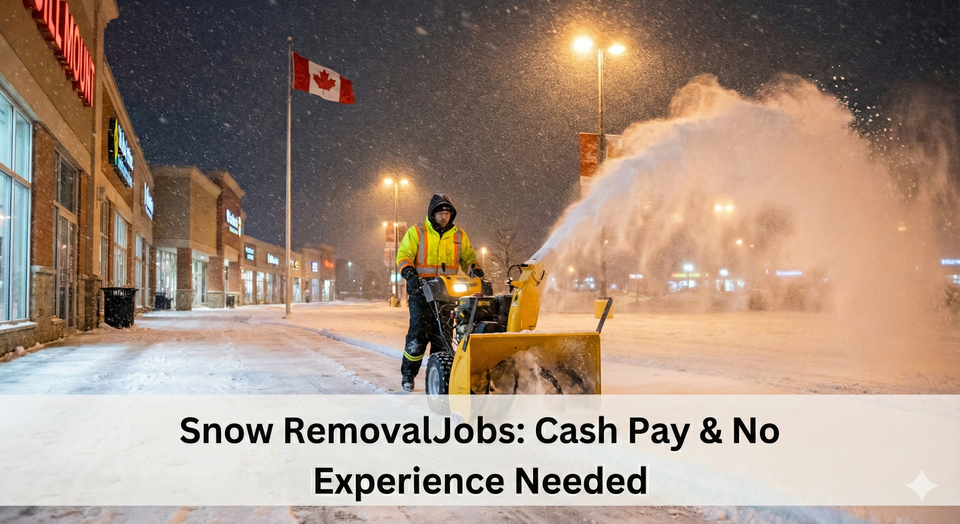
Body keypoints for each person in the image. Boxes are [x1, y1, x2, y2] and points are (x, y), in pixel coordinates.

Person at [396, 193, 483, 392]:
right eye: (440, 213)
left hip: (446, 295)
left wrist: (475, 270)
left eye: (447, 213)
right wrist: (410, 273)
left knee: (443, 338)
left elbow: (468, 257)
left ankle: (440, 378)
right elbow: (404, 256)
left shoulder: (459, 235)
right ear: (432, 214)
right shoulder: (417, 232)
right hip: (421, 293)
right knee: (418, 337)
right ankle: (408, 375)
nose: (444, 217)